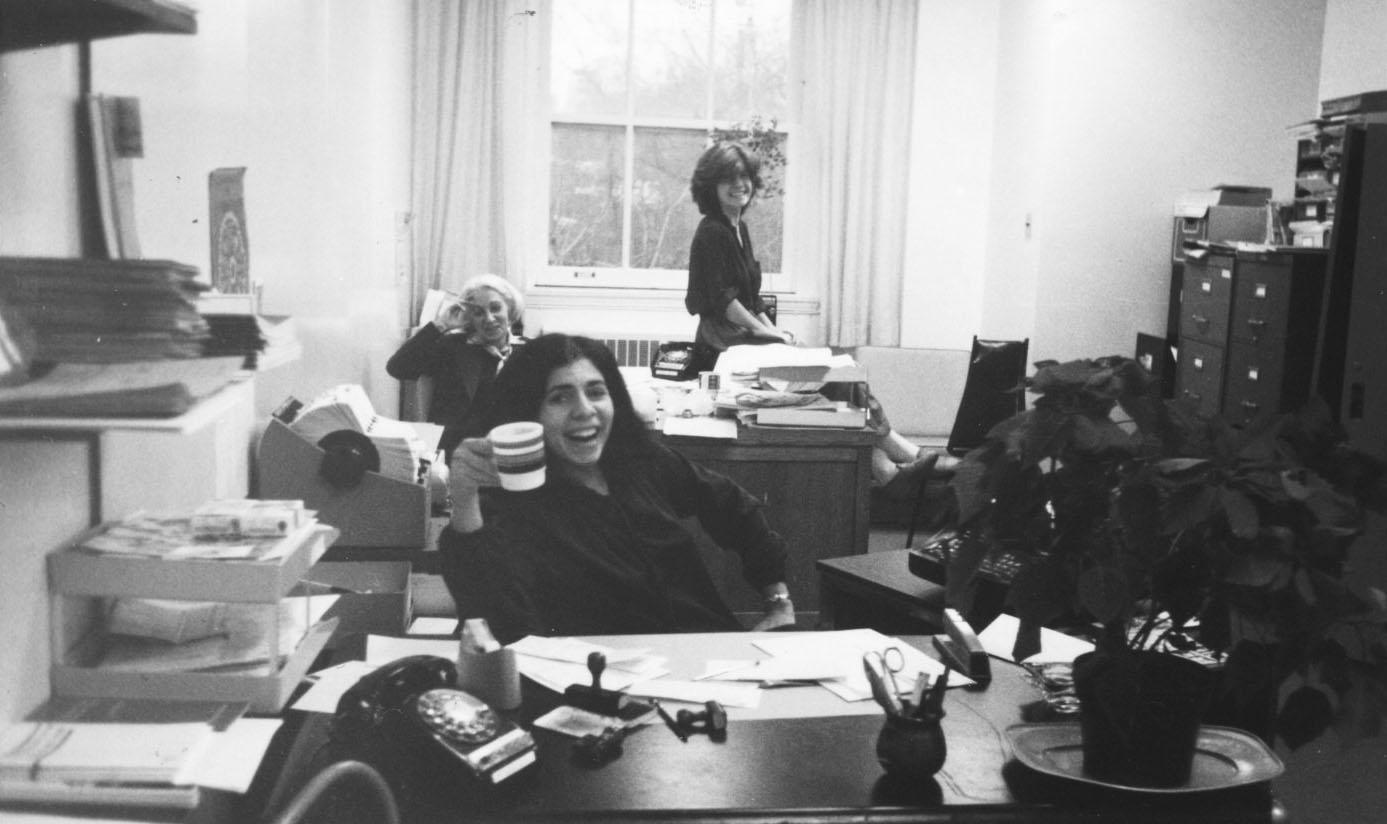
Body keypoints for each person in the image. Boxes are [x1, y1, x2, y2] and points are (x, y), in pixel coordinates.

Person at [438, 333, 796, 643]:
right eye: (559, 397)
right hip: (606, 680)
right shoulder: (509, 504)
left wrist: (778, 601)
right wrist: (465, 501)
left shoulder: (641, 461)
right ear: (529, 414)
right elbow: (493, 623)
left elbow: (733, 506)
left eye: (596, 392)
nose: (585, 410)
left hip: (712, 655)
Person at [682, 141, 955, 498]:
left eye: (744, 176)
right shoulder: (711, 232)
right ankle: (901, 459)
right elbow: (725, 301)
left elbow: (751, 297)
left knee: (841, 375)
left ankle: (889, 466)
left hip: (744, 335)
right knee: (831, 377)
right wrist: (767, 333)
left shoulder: (738, 228)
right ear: (711, 186)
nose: (740, 185)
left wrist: (775, 332)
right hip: (723, 342)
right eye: (728, 179)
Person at [386, 273, 523, 457]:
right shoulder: (453, 347)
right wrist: (441, 324)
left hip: (510, 451)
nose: (489, 318)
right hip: (456, 452)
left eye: (495, 308)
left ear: (510, 309)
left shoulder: (527, 351)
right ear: (470, 318)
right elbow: (398, 368)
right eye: (478, 313)